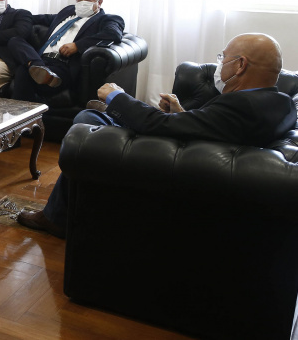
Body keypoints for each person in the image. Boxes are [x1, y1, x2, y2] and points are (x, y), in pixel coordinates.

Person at [17, 33, 298, 238]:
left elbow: (158, 127)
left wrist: (117, 95)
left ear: (240, 65)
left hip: (171, 163)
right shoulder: (282, 104)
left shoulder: (242, 106)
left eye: (223, 57)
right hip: (195, 155)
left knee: (86, 121)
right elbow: (214, 127)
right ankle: (111, 116)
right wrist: (181, 113)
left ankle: (56, 217)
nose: (220, 64)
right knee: (99, 118)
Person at [5, 0, 124, 102]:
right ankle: (38, 67)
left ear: (99, 2)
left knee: (23, 71)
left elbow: (112, 33)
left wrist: (78, 45)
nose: (83, 2)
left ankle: (20, 117)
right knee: (15, 40)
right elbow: (42, 18)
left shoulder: (107, 19)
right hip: (41, 59)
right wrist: (15, 16)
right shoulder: (68, 12)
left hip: (62, 65)